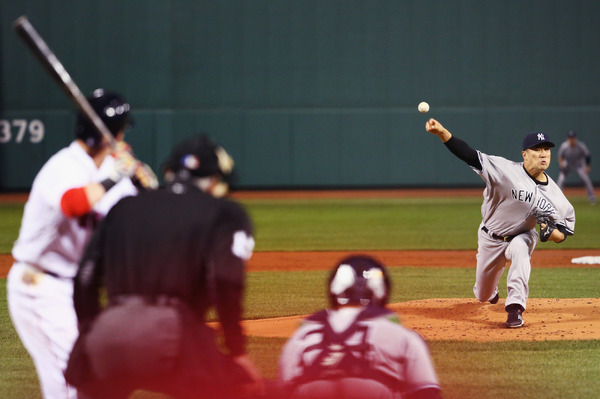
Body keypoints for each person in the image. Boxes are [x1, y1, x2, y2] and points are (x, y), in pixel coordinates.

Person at [64, 134, 264, 399]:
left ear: (168, 172)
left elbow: (85, 279)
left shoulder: (123, 207)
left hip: (107, 332)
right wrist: (237, 351)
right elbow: (226, 283)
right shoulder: (225, 212)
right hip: (171, 333)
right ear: (214, 179)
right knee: (241, 387)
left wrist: (91, 333)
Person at [7, 88, 156, 399]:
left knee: (93, 377)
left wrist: (146, 189)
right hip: (39, 285)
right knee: (68, 381)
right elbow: (73, 203)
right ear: (113, 133)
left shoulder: (111, 173)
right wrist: (115, 178)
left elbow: (143, 222)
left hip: (75, 290)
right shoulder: (65, 165)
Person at [425, 118, 575, 328]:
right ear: (524, 154)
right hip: (490, 236)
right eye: (537, 149)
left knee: (521, 249)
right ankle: (491, 289)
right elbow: (467, 154)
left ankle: (515, 308)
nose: (543, 154)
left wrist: (551, 232)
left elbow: (563, 232)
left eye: (547, 150)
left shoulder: (556, 196)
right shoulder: (504, 170)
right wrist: (442, 132)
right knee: (482, 295)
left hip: (522, 235)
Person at [279, 255, 443, 399]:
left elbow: (284, 391)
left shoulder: (301, 337)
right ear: (381, 291)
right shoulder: (400, 336)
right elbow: (427, 392)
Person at [556, 130, 596, 204]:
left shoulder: (581, 146)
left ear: (575, 138)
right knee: (561, 180)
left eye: (573, 138)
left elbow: (587, 155)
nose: (572, 140)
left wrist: (587, 166)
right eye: (570, 138)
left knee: (586, 180)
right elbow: (560, 156)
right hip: (568, 164)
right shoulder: (564, 146)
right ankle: (558, 198)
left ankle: (592, 198)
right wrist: (561, 164)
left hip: (579, 164)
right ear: (567, 139)